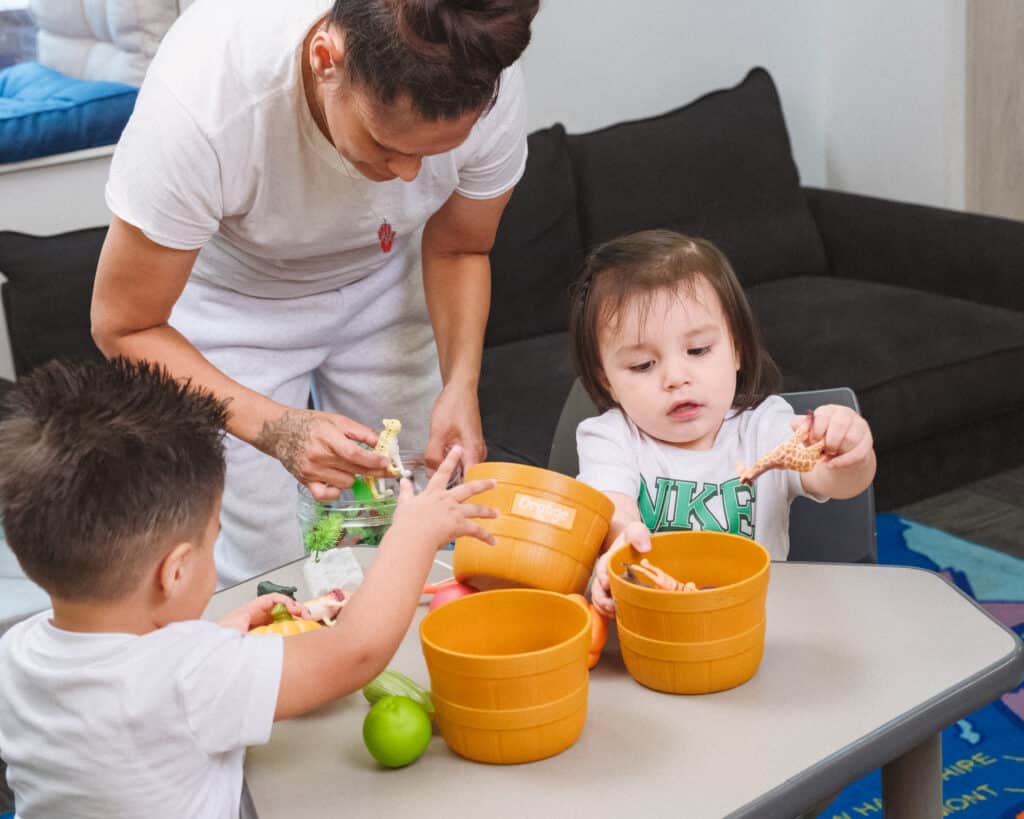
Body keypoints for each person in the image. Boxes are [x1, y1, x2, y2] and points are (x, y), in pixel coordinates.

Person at [90, 0, 539, 585]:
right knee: (269, 557)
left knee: (416, 515)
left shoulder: (485, 80)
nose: (409, 176)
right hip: (235, 305)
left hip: (383, 277)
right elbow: (123, 325)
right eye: (386, 146)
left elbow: (459, 248)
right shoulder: (205, 100)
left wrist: (461, 382)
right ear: (326, 58)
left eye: (433, 154)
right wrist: (276, 427)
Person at [0, 357, 496, 819]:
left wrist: (221, 633)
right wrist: (413, 536)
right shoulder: (195, 677)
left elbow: (132, 677)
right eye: (213, 537)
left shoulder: (15, 654)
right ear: (175, 572)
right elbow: (354, 652)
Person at [567, 230, 876, 618]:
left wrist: (849, 451)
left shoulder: (766, 428)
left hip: (760, 620)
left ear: (738, 350)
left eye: (697, 350)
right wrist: (620, 539)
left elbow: (837, 482)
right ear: (606, 379)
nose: (676, 377)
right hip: (655, 621)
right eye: (643, 365)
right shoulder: (610, 437)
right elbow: (611, 506)